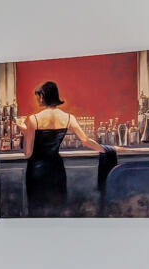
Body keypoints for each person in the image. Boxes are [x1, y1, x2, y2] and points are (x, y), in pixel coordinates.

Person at [19, 81, 112, 216]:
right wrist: (108, 149)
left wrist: (25, 131)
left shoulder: (34, 119)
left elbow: (27, 153)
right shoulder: (69, 118)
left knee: (37, 210)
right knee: (58, 208)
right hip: (56, 168)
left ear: (43, 96)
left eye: (38, 96)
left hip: (37, 169)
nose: (37, 99)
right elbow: (86, 141)